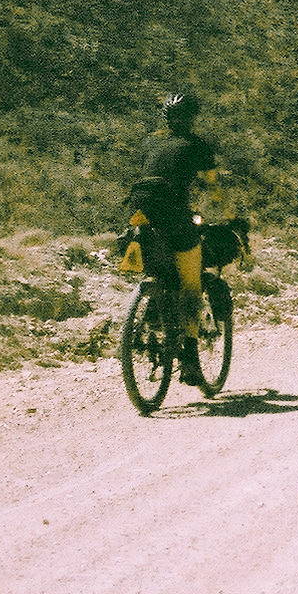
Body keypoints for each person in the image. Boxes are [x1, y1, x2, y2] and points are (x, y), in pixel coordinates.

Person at [127, 93, 229, 385]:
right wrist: (228, 214)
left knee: (156, 266)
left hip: (139, 214)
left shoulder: (150, 142)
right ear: (192, 118)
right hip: (174, 218)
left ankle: (152, 310)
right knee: (191, 285)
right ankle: (191, 358)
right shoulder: (197, 145)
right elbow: (213, 187)